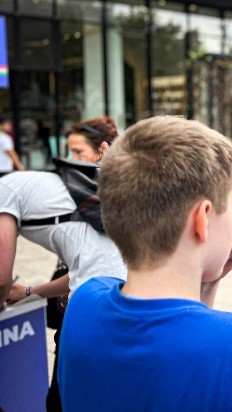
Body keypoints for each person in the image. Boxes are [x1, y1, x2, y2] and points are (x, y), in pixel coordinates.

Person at [58, 115, 232, 411]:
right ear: (202, 218)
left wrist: (205, 283)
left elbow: (170, 337)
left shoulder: (83, 303)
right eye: (229, 204)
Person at [2, 114, 122, 412]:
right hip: (123, 305)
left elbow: (1, 273)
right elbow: (90, 268)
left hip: (88, 316)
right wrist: (30, 292)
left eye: (79, 151)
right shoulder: (93, 197)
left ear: (102, 150)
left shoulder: (7, 191)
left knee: (63, 400)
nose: (72, 159)